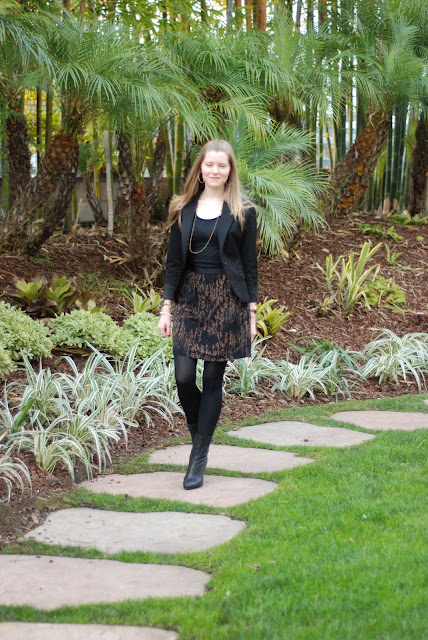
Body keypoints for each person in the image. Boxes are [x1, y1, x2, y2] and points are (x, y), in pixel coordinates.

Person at [157, 139, 258, 490]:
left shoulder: (243, 211)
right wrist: (166, 308)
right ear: (200, 168)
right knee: (184, 377)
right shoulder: (182, 208)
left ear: (230, 171)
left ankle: (198, 456)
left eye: (222, 165)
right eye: (209, 164)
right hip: (189, 298)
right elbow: (173, 263)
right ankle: (200, 435)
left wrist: (252, 313)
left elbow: (249, 266)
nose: (215, 170)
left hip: (227, 299)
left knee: (213, 379)